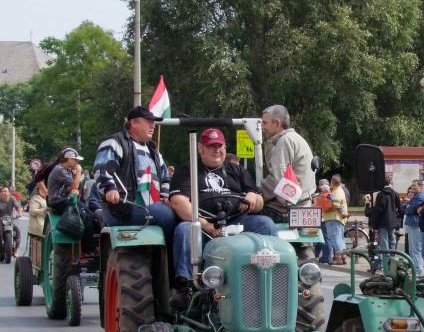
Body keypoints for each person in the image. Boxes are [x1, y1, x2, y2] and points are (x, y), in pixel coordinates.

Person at [169, 128, 275, 304]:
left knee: (265, 224)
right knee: (184, 230)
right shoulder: (187, 170)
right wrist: (205, 225)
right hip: (203, 225)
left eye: (219, 146)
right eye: (211, 146)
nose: (216, 150)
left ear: (225, 147)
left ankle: (266, 278)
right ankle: (185, 287)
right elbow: (179, 202)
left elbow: (259, 199)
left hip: (235, 222)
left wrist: (252, 198)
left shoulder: (236, 170)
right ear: (200, 148)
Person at [93, 105, 176, 249]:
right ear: (133, 123)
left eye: (153, 122)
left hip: (152, 205)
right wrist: (110, 189)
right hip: (124, 208)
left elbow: (164, 175)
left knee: (181, 213)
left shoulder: (153, 150)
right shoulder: (115, 143)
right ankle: (170, 266)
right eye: (148, 121)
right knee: (166, 216)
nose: (153, 125)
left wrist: (164, 196)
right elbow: (101, 168)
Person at [260, 104, 316, 221]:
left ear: (277, 123)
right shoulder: (296, 139)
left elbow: (277, 179)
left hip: (286, 209)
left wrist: (255, 192)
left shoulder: (284, 141)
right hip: (302, 204)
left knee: (249, 220)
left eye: (265, 123)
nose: (262, 127)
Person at [365, 173, 403, 254]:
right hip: (392, 222)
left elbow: (378, 210)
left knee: (384, 242)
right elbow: (400, 208)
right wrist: (398, 219)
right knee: (392, 240)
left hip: (383, 222)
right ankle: (391, 259)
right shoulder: (395, 193)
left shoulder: (381, 194)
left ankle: (385, 261)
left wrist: (375, 222)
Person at [403, 180, 424, 275]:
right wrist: (409, 208)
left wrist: (409, 207)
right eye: (411, 186)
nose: (412, 188)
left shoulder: (420, 197)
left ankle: (418, 269)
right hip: (411, 224)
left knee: (416, 248)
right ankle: (414, 268)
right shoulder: (415, 197)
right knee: (412, 249)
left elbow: (411, 209)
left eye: (414, 186)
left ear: (420, 187)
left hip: (415, 225)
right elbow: (407, 209)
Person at [0, 185, 22, 255]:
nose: (4, 193)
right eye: (2, 191)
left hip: (9, 220)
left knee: (17, 231)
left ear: (9, 192)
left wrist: (20, 213)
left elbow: (18, 207)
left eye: (5, 191)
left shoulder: (12, 198)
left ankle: (16, 250)